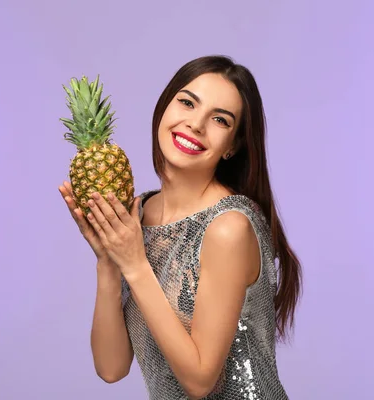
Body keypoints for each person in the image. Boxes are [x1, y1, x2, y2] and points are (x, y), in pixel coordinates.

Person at [58, 55, 302, 400]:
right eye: (187, 102)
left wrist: (135, 264)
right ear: (164, 107)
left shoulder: (228, 227)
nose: (196, 124)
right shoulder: (138, 213)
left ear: (233, 145)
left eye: (220, 119)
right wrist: (108, 261)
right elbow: (111, 369)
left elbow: (201, 382)